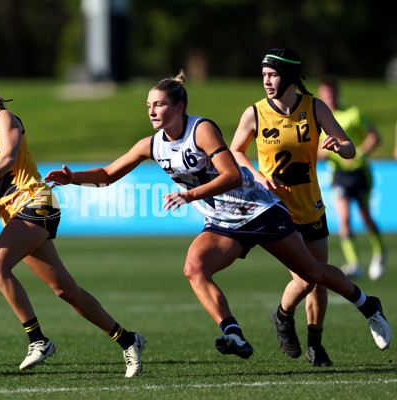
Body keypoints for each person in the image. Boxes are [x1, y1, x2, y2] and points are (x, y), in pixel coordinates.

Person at [45, 71, 391, 363]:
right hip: (224, 224)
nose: (151, 110)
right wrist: (72, 177)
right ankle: (234, 333)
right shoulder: (151, 145)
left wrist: (189, 194)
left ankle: (368, 305)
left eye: (159, 104)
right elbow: (108, 173)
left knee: (311, 274)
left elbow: (234, 176)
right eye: (148, 105)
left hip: (259, 212)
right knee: (194, 267)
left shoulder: (202, 130)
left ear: (179, 107)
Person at [0, 76, 145, 378]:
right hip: (13, 215)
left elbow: (7, 158)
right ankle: (128, 338)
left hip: (37, 201)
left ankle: (38, 340)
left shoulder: (3, 118)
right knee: (65, 290)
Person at [230, 47, 354, 367]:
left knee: (319, 280)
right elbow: (235, 153)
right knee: (306, 278)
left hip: (311, 206)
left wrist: (339, 146)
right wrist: (257, 176)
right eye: (263, 76)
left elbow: (350, 148)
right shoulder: (254, 113)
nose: (267, 82)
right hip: (277, 211)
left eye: (272, 75)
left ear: (288, 76)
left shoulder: (315, 107)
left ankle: (315, 342)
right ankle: (283, 316)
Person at [317, 76, 387, 280]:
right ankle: (354, 264)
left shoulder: (353, 114)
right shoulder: (319, 118)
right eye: (325, 93)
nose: (329, 97)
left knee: (366, 217)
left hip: (359, 173)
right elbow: (317, 150)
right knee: (344, 219)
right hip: (338, 174)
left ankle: (380, 252)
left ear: (338, 93)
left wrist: (360, 152)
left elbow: (374, 136)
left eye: (332, 92)